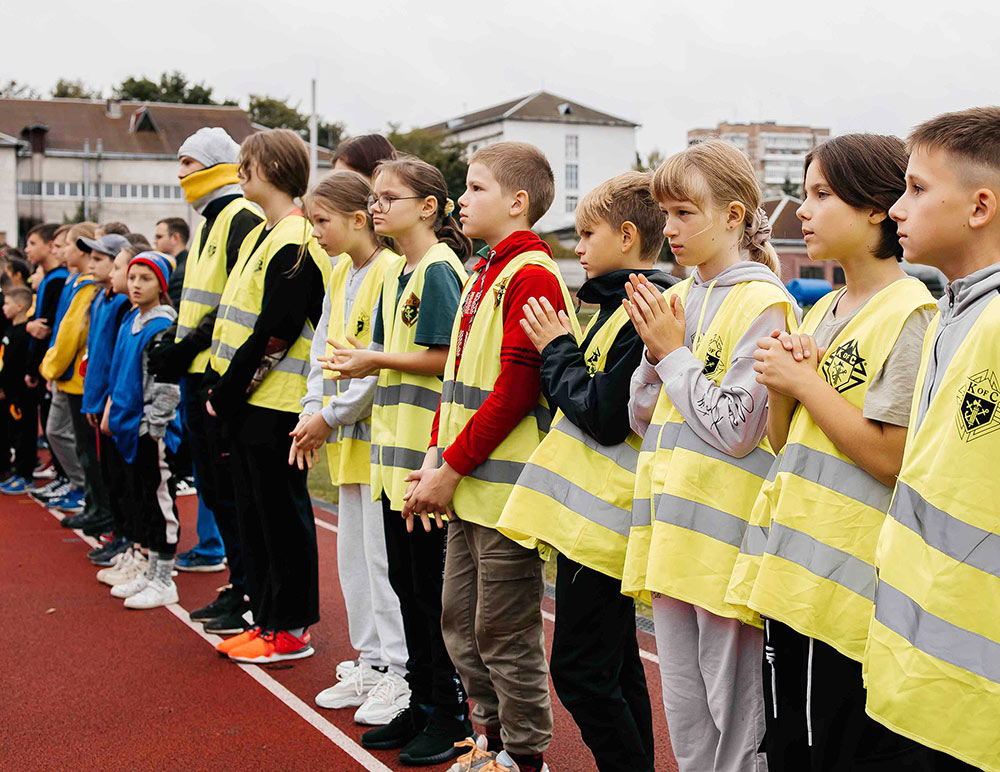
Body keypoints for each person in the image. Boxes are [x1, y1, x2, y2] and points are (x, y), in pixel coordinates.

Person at [728, 134, 939, 770]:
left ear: (877, 208)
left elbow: (891, 457)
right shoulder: (823, 310)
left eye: (823, 194)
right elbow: (784, 440)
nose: (806, 212)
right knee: (788, 743)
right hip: (794, 571)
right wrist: (783, 386)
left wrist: (805, 384)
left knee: (829, 749)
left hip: (846, 591)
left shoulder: (911, 312)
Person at [621, 139, 799, 772]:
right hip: (672, 538)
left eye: (683, 213)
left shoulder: (765, 301)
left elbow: (737, 431)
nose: (668, 229)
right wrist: (653, 354)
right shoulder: (686, 296)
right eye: (664, 213)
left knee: (736, 724)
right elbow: (644, 421)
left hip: (726, 550)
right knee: (687, 715)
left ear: (732, 215)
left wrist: (672, 353)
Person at [402, 142, 578, 772]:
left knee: (505, 633)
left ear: (517, 201)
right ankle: (490, 742)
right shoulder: (482, 270)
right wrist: (434, 461)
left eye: (475, 188)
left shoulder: (531, 273)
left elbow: (516, 389)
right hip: (467, 485)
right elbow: (456, 385)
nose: (460, 200)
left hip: (501, 491)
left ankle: (525, 756)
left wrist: (449, 469)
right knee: (461, 625)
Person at [497, 171, 675, 772]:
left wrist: (556, 349)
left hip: (607, 523)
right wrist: (565, 356)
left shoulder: (643, 311)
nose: (577, 247)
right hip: (586, 521)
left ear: (627, 236)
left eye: (587, 233)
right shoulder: (607, 308)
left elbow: (602, 415)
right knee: (616, 666)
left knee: (578, 673)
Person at [863, 107, 1000, 772]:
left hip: (974, 703)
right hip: (924, 675)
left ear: (980, 207)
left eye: (917, 189)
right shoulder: (960, 309)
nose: (896, 209)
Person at [322, 155, 471, 765]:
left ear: (429, 207)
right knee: (408, 590)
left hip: (422, 464)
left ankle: (452, 713)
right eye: (375, 197)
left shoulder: (437, 269)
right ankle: (423, 703)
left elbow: (445, 359)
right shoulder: (405, 272)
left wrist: (376, 360)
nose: (376, 206)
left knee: (433, 597)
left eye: (390, 197)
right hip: (394, 463)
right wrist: (373, 357)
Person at [206, 129, 330, 664]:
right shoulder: (266, 232)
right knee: (257, 517)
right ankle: (269, 618)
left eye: (246, 165)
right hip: (252, 404)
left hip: (275, 403)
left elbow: (275, 332)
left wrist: (229, 392)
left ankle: (291, 627)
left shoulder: (296, 239)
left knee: (281, 519)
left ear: (271, 169)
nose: (239, 174)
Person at [293, 170, 409, 724]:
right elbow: (321, 348)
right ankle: (370, 661)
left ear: (358, 220)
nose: (313, 231)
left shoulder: (390, 273)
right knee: (354, 562)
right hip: (344, 441)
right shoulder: (340, 271)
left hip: (376, 440)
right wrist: (311, 411)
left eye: (321, 221)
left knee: (382, 562)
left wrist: (330, 416)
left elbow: (377, 363)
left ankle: (400, 670)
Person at [147, 127, 263, 624]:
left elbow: (240, 303)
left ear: (216, 166)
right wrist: (177, 346)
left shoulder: (240, 217)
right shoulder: (210, 224)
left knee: (231, 493)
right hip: (198, 372)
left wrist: (188, 347)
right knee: (215, 489)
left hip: (219, 377)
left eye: (188, 163)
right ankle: (239, 584)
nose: (180, 175)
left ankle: (249, 592)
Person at [101, 251, 183, 609]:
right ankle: (148, 571)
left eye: (145, 279)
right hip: (128, 427)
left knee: (160, 502)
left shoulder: (161, 325)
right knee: (142, 501)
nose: (135, 285)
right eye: (132, 277)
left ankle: (165, 579)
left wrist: (154, 426)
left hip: (151, 430)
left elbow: (165, 383)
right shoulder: (132, 319)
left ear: (161, 285)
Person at [40, 226, 112, 525]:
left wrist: (50, 367)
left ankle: (96, 505)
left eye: (66, 245)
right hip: (75, 377)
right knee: (83, 447)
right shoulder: (82, 286)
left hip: (80, 380)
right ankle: (92, 502)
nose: (61, 251)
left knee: (90, 450)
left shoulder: (88, 289)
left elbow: (72, 334)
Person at [82, 241, 139, 567]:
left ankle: (130, 538)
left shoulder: (120, 306)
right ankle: (120, 533)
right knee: (111, 474)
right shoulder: (103, 300)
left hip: (115, 404)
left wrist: (106, 401)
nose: (94, 264)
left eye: (108, 262)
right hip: (101, 397)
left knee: (124, 477)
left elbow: (117, 363)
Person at [23, 223, 69, 498]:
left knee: (59, 427)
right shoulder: (52, 279)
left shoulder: (58, 280)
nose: (28, 249)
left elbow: (50, 326)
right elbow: (37, 321)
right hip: (46, 364)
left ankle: (70, 479)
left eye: (32, 243)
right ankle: (63, 475)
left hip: (54, 367)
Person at [0, 287, 38, 494]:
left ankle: (26, 475)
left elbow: (16, 365)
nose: (3, 307)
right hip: (10, 392)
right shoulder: (9, 330)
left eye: (7, 303)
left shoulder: (24, 332)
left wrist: (6, 386)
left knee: (25, 432)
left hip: (21, 393)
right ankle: (19, 470)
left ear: (20, 306)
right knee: (15, 431)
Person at [153, 217, 190, 306]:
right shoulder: (180, 266)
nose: (154, 241)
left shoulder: (181, 272)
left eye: (159, 237)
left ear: (175, 238)